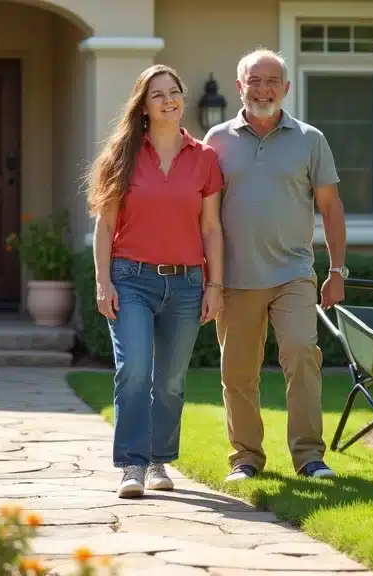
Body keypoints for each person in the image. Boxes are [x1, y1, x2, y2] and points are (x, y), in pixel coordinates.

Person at [203, 48, 348, 482]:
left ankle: (309, 457)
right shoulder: (216, 141)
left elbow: (331, 206)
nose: (263, 89)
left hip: (293, 274)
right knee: (238, 372)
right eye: (254, 81)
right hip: (235, 278)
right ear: (239, 87)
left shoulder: (310, 139)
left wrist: (336, 271)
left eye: (272, 82)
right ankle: (246, 458)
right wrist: (209, 279)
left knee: (303, 355)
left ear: (286, 88)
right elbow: (204, 215)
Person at [86, 64, 225, 498]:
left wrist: (214, 285)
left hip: (186, 284)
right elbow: (105, 226)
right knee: (134, 370)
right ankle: (132, 464)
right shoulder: (122, 154)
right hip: (131, 280)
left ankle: (159, 461)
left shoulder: (204, 158)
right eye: (158, 94)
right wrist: (103, 282)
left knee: (170, 380)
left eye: (174, 92)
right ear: (143, 106)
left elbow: (211, 228)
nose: (169, 100)